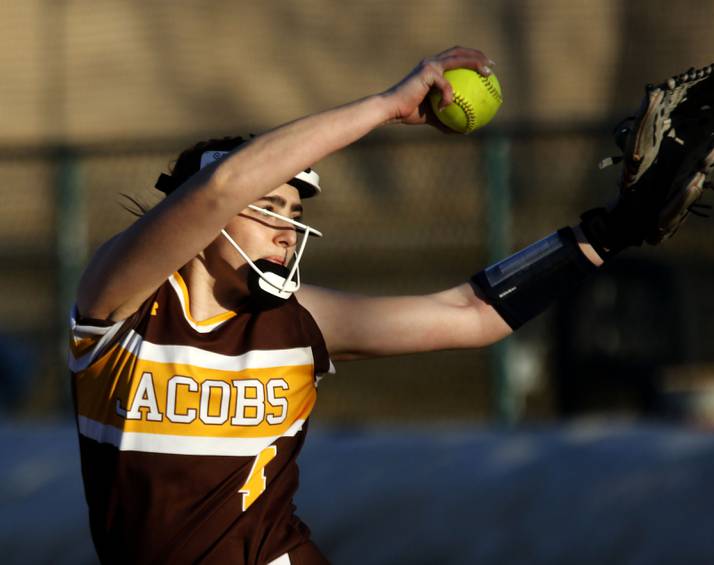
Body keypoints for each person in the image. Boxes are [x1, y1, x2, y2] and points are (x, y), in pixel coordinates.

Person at [69, 46, 621, 564]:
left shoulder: (297, 322)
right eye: (266, 207)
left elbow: (471, 315)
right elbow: (222, 188)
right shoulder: (121, 301)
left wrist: (606, 232)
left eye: (293, 211)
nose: (286, 229)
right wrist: (385, 106)